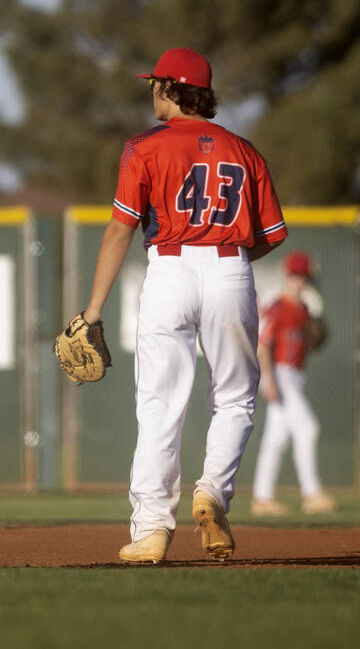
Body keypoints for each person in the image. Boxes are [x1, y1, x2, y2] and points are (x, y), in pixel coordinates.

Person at [75, 47, 286, 564]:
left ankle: (150, 530)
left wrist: (93, 310)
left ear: (171, 88)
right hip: (229, 267)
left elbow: (120, 230)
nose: (151, 91)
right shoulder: (244, 150)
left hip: (168, 268)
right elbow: (273, 235)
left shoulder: (143, 148)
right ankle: (212, 490)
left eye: (154, 84)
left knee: (159, 406)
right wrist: (231, 259)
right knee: (234, 398)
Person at [250, 251, 337, 515]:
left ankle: (262, 499)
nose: (300, 280)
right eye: (296, 275)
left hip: (296, 376)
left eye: (304, 276)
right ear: (288, 275)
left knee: (276, 439)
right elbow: (263, 344)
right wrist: (268, 380)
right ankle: (311, 493)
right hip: (280, 373)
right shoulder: (277, 307)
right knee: (308, 428)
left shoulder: (304, 310)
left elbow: (311, 342)